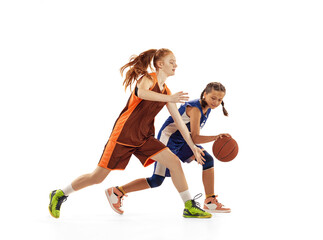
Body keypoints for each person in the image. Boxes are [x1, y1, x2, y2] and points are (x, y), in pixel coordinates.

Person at [48, 48, 212, 219]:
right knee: (97, 177)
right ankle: (60, 193)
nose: (175, 65)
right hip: (124, 135)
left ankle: (189, 206)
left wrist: (193, 147)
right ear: (160, 64)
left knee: (174, 162)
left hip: (144, 137)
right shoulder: (148, 79)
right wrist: (169, 99)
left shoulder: (167, 92)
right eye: (172, 62)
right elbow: (141, 93)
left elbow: (179, 121)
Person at [106, 82, 231, 214]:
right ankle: (117, 192)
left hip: (183, 141)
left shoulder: (208, 108)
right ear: (205, 94)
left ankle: (210, 202)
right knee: (156, 180)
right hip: (168, 141)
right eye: (213, 98)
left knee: (208, 160)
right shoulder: (195, 109)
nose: (216, 102)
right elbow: (195, 138)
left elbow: (191, 137)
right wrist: (216, 137)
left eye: (220, 100)